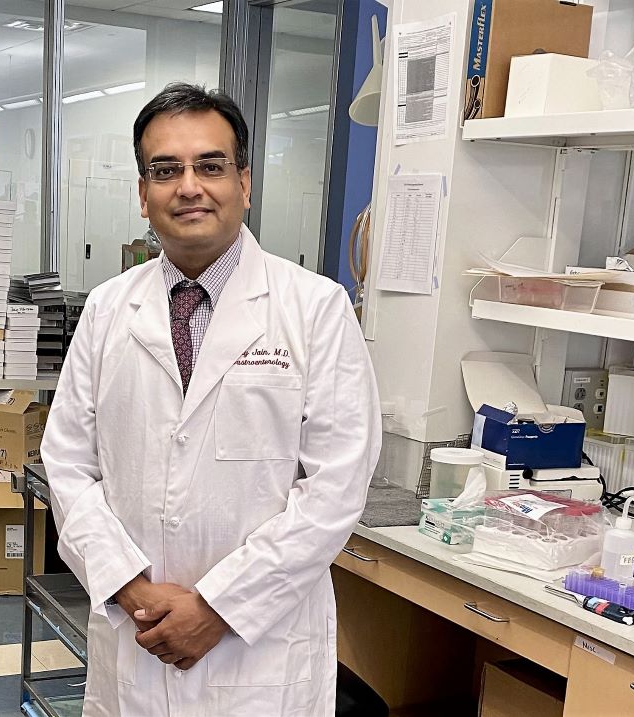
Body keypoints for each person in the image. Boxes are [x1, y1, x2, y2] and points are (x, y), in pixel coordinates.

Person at [41, 83, 381, 717]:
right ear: (143, 194)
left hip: (259, 651)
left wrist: (217, 606)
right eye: (165, 170)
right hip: (136, 635)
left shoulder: (314, 309)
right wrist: (131, 589)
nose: (188, 186)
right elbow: (67, 464)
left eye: (210, 165)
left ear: (244, 182)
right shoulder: (109, 309)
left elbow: (337, 487)